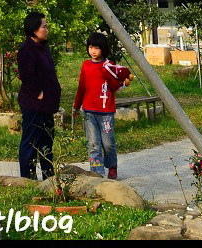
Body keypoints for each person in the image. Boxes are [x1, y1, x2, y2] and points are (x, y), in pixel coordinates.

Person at [72, 32, 132, 179]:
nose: (93, 51)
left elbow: (114, 86)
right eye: (91, 47)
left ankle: (112, 166)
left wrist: (108, 73)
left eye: (97, 48)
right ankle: (97, 172)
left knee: (108, 143)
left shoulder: (109, 66)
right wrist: (76, 105)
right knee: (93, 144)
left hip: (106, 112)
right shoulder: (86, 65)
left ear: (103, 49)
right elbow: (81, 87)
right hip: (89, 112)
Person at [17, 11, 62, 180]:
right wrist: (39, 93)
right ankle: (27, 179)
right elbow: (26, 75)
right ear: (34, 29)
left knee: (46, 142)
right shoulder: (26, 50)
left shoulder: (43, 46)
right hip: (34, 105)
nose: (46, 29)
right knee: (30, 143)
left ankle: (48, 177)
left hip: (47, 106)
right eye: (44, 26)